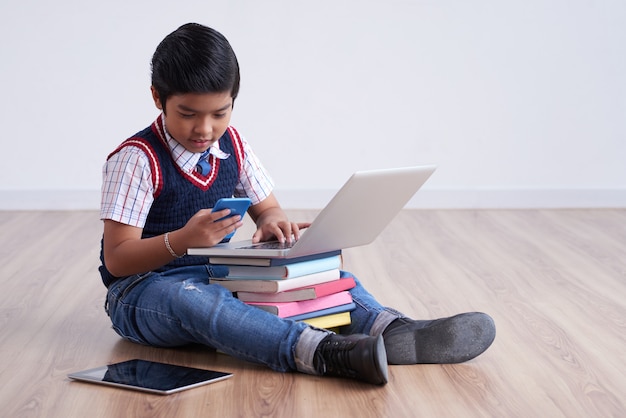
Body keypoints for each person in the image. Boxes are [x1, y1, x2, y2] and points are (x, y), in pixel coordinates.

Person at [99, 22, 496, 386]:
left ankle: (389, 329)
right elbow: (117, 260)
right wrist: (183, 240)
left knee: (313, 277)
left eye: (220, 113)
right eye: (188, 114)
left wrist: (274, 225)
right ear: (158, 98)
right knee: (194, 300)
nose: (205, 129)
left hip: (216, 275)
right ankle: (318, 351)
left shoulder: (232, 145)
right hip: (142, 291)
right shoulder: (137, 159)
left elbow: (268, 209)